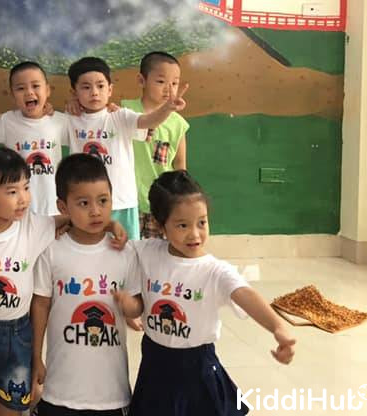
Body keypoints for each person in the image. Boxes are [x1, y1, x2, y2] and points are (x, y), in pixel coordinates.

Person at [0, 147, 126, 416]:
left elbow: (75, 216)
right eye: (12, 191)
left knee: (10, 407)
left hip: (18, 333)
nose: (23, 199)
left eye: (26, 187)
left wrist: (110, 224)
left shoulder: (34, 227)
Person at [116, 171, 296, 416]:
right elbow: (111, 248)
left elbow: (245, 294)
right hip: (155, 365)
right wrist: (111, 226)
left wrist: (278, 326)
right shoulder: (147, 252)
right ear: (160, 225)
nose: (195, 234)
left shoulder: (215, 270)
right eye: (182, 225)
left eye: (202, 222)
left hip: (197, 368)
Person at [30, 154, 140, 416]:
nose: (96, 211)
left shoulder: (125, 253)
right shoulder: (51, 251)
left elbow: (137, 307)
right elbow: (41, 305)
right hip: (60, 390)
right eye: (83, 203)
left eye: (103, 200)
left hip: (111, 393)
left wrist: (130, 307)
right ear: (63, 207)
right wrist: (35, 357)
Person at [65, 56, 188, 241]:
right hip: (85, 203)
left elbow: (147, 121)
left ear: (110, 89)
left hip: (123, 202)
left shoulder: (119, 115)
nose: (94, 93)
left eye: (100, 86)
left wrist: (167, 109)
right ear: (74, 92)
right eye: (86, 87)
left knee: (129, 251)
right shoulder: (68, 120)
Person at [120, 52, 189, 239]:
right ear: (141, 80)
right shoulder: (126, 111)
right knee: (126, 250)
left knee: (157, 252)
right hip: (128, 200)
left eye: (174, 83)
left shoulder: (178, 124)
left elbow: (180, 165)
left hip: (160, 202)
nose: (169, 89)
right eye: (161, 81)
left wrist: (179, 199)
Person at [0, 62, 70, 217]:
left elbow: (90, 124)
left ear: (47, 90)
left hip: (54, 207)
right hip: (19, 209)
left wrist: (109, 109)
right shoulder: (6, 121)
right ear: (12, 94)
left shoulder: (61, 121)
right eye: (21, 88)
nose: (29, 92)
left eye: (35, 86)